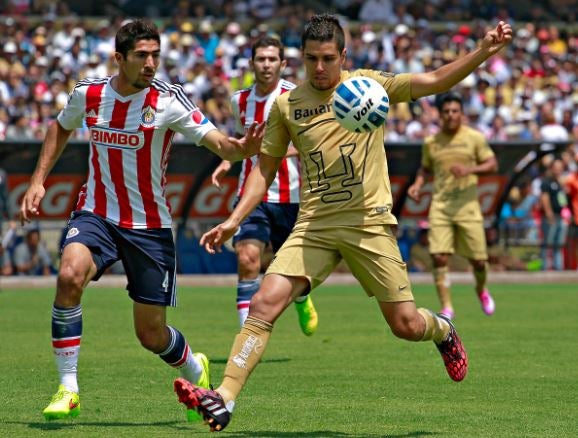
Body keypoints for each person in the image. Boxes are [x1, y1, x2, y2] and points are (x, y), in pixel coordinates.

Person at [173, 14, 512, 432]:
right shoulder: (287, 104)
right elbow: (264, 170)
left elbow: (436, 81)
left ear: (343, 56)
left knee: (405, 325)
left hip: (368, 224)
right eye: (311, 59)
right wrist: (233, 219)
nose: (319, 68)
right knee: (263, 304)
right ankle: (224, 397)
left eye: (328, 59)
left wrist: (482, 51)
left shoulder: (368, 86)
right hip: (314, 225)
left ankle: (442, 330)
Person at [19, 19, 263, 422]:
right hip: (96, 212)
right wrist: (37, 182)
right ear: (119, 58)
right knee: (68, 276)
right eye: (142, 56)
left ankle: (192, 367)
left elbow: (217, 141)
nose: (151, 63)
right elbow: (60, 129)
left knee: (150, 334)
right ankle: (68, 387)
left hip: (149, 226)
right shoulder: (90, 93)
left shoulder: (169, 101)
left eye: (156, 55)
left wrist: (239, 148)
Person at [211, 36, 318, 334]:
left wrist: (273, 150)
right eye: (261, 59)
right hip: (251, 195)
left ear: (283, 64)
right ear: (252, 64)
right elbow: (239, 138)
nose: (267, 65)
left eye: (273, 59)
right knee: (248, 259)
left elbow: (309, 143)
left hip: (291, 197)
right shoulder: (239, 100)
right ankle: (246, 338)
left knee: (294, 271)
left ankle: (302, 300)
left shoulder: (297, 98)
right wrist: (226, 161)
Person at [407, 93, 498, 319]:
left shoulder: (474, 138)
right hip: (441, 206)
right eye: (446, 111)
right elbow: (425, 169)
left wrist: (469, 170)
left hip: (468, 206)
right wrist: (418, 184)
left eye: (454, 111)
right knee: (438, 256)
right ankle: (447, 306)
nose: (450, 115)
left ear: (461, 113)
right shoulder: (431, 143)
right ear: (440, 114)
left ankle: (481, 289)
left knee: (478, 261)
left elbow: (492, 163)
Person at [539, 158, 570, 270]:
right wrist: (549, 213)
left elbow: (564, 200)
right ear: (551, 168)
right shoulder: (547, 182)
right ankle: (544, 268)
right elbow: (544, 197)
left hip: (561, 217)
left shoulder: (560, 183)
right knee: (548, 243)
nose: (558, 170)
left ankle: (558, 269)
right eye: (556, 167)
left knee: (559, 244)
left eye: (560, 168)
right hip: (551, 217)